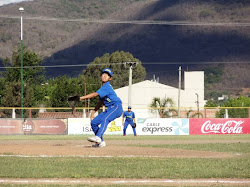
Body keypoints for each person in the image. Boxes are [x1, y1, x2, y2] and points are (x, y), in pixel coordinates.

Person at [79, 68, 123, 147]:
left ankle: (98, 137)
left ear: (110, 78)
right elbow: (100, 102)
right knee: (94, 123)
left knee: (105, 119)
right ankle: (101, 142)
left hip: (116, 107)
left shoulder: (107, 86)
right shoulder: (103, 88)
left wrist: (81, 98)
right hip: (110, 109)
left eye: (107, 75)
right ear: (101, 76)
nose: (105, 76)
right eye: (103, 74)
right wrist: (93, 112)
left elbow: (95, 94)